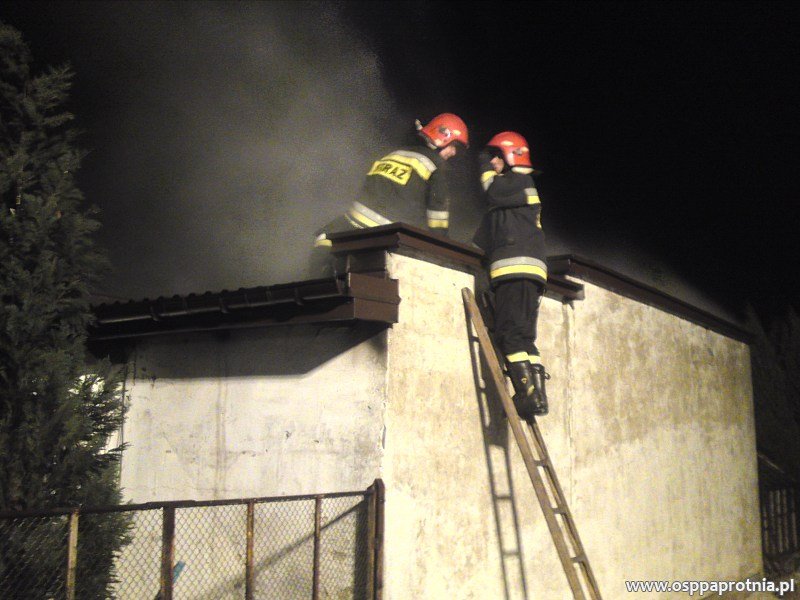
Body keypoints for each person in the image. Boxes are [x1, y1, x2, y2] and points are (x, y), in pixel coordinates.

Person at [472, 131, 549, 420]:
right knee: (525, 338)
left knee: (510, 336)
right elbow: (482, 238)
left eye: (496, 155)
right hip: (530, 272)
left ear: (509, 156)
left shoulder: (519, 181)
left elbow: (489, 189)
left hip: (514, 269)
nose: (492, 161)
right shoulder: (507, 204)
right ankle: (537, 397)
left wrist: (481, 162)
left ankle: (527, 395)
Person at [314, 113, 468, 249]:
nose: (453, 153)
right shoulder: (437, 166)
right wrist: (443, 250)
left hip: (351, 225)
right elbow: (437, 220)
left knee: (323, 239)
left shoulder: (394, 153)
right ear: (442, 136)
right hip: (386, 238)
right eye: (454, 146)